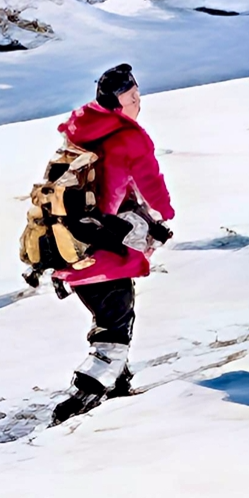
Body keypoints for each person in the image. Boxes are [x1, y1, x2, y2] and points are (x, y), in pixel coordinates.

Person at [49, 62, 174, 424]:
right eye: (132, 97)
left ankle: (118, 385)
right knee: (115, 325)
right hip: (105, 248)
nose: (138, 102)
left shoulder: (82, 130)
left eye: (138, 94)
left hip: (71, 245)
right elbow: (150, 181)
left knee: (112, 315)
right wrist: (165, 212)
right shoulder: (129, 137)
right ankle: (82, 395)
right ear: (117, 104)